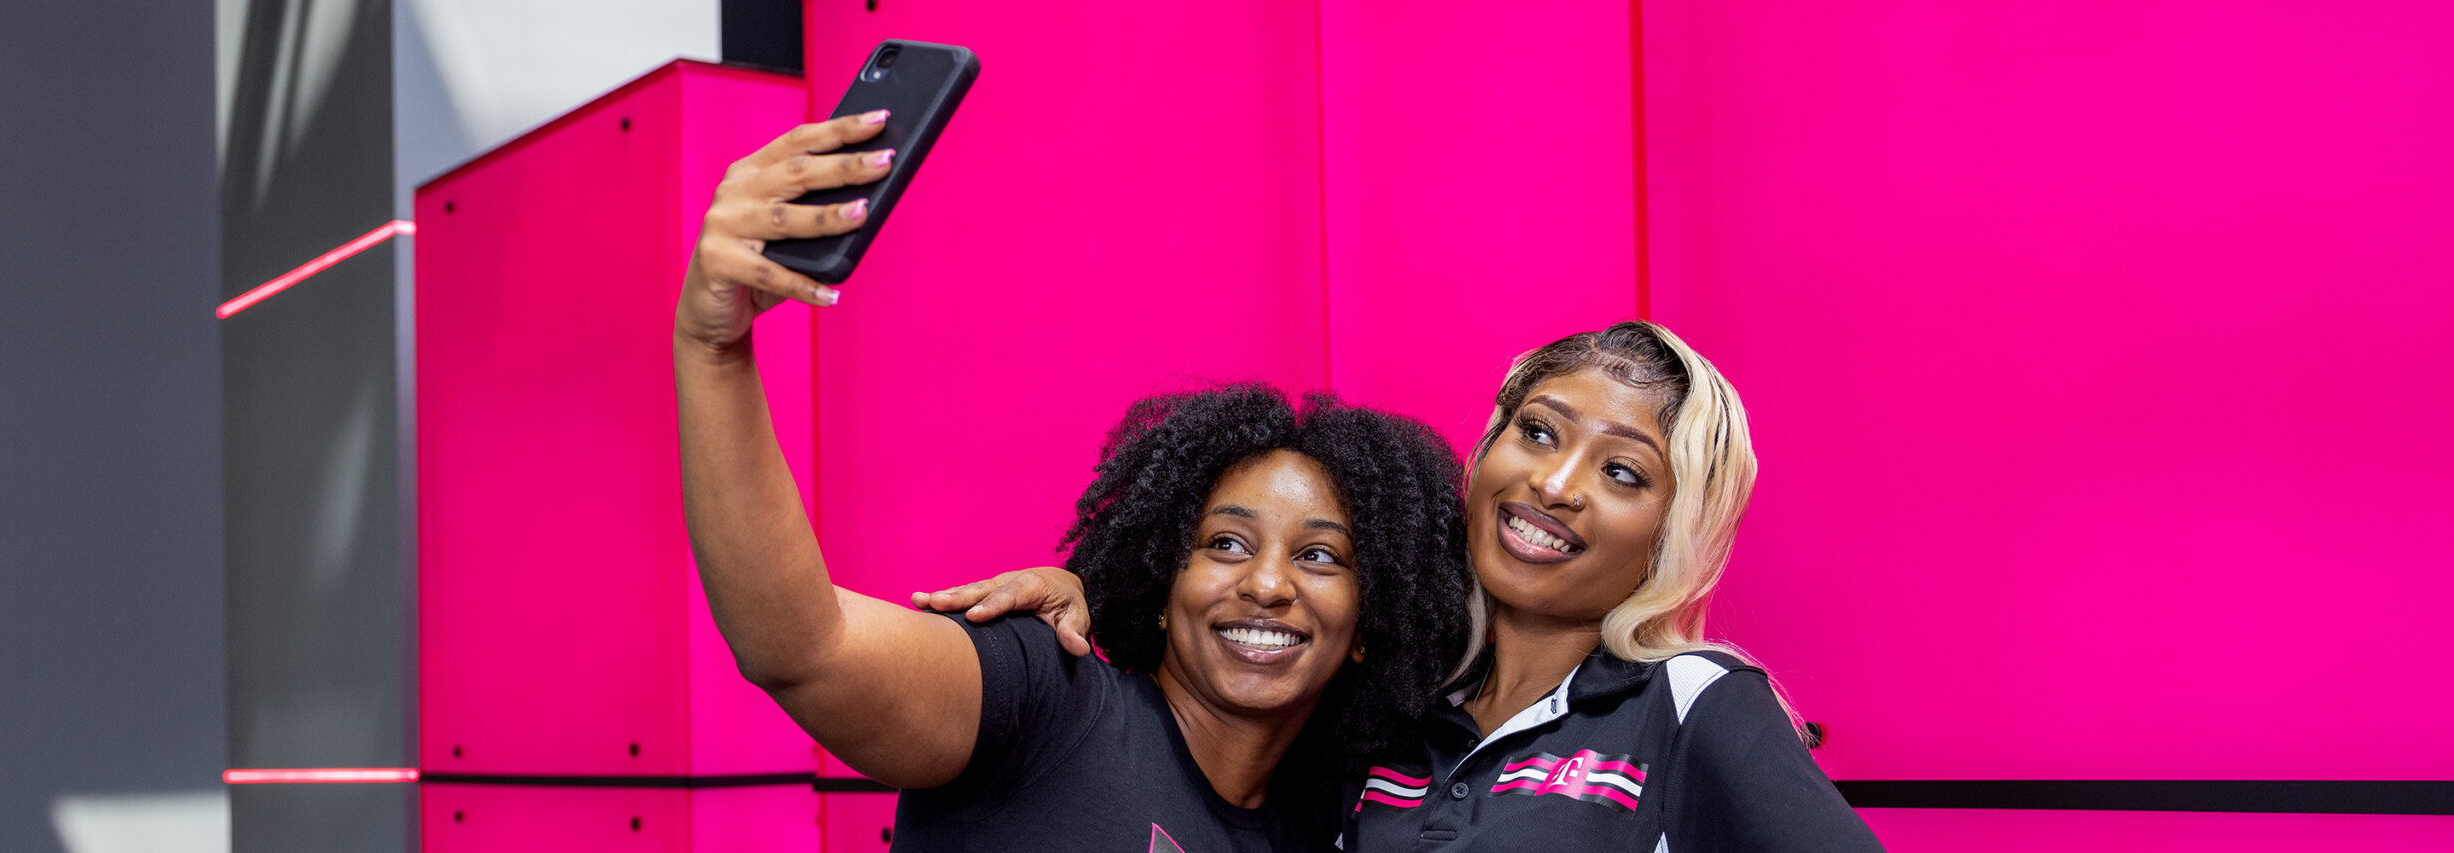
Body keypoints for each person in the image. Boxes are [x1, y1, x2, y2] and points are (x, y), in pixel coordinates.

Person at [674, 114, 1474, 852]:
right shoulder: (1044, 694)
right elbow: (804, 648)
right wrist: (714, 351)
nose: (1267, 582)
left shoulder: (1332, 818)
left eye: (1321, 557)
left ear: (1370, 621)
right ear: (1164, 583)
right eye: (1225, 543)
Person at [927, 321, 1886, 852]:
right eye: (1539, 432)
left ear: (1672, 532)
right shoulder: (1383, 701)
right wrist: (1086, 597)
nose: (1556, 483)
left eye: (1624, 472)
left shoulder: (1693, 703)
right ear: (1488, 450)